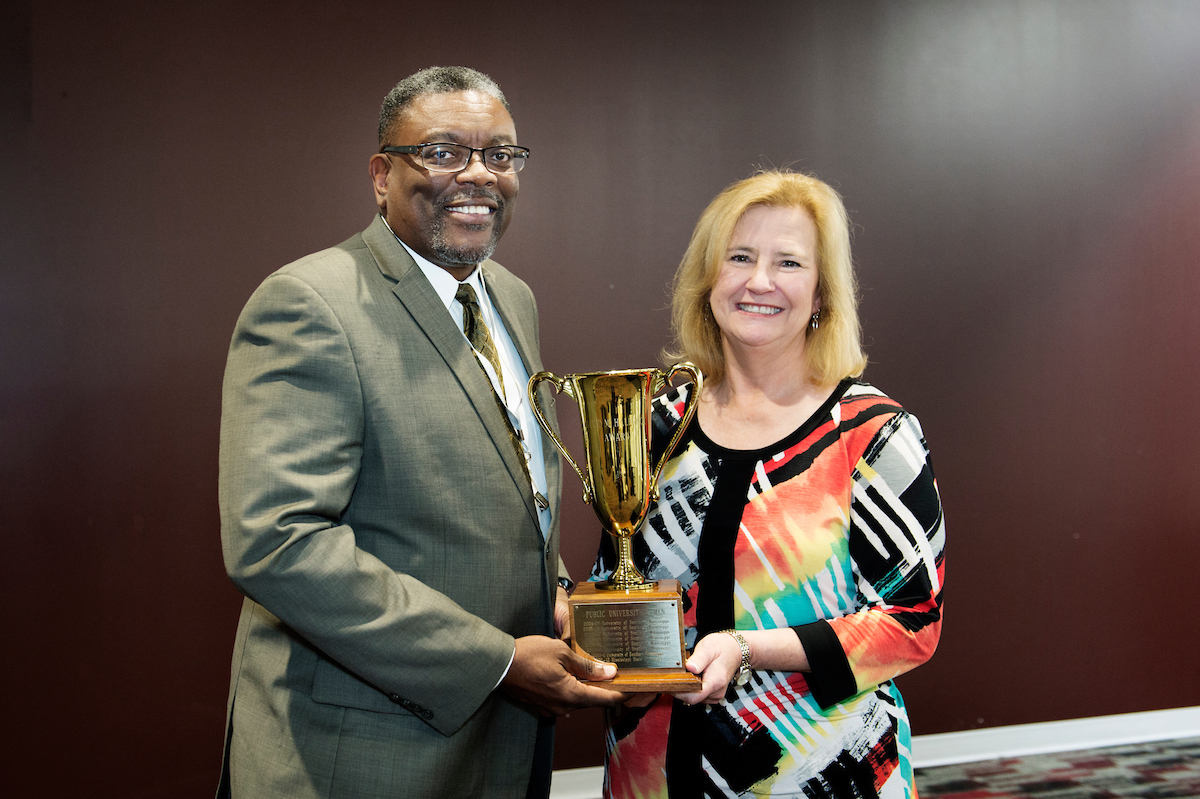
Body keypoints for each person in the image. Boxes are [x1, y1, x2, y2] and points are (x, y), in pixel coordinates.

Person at [217, 66, 622, 799]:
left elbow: (512, 487)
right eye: (442, 151)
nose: (478, 175)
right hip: (362, 756)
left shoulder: (511, 298)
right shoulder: (310, 303)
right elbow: (277, 540)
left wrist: (556, 589)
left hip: (499, 747)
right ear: (381, 175)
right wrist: (495, 662)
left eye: (500, 154)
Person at [592, 170, 945, 798]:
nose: (760, 281)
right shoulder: (656, 424)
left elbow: (912, 624)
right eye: (740, 258)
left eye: (788, 262)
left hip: (825, 773)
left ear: (820, 296)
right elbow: (619, 584)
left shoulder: (871, 433)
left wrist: (747, 648)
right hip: (652, 772)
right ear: (709, 282)